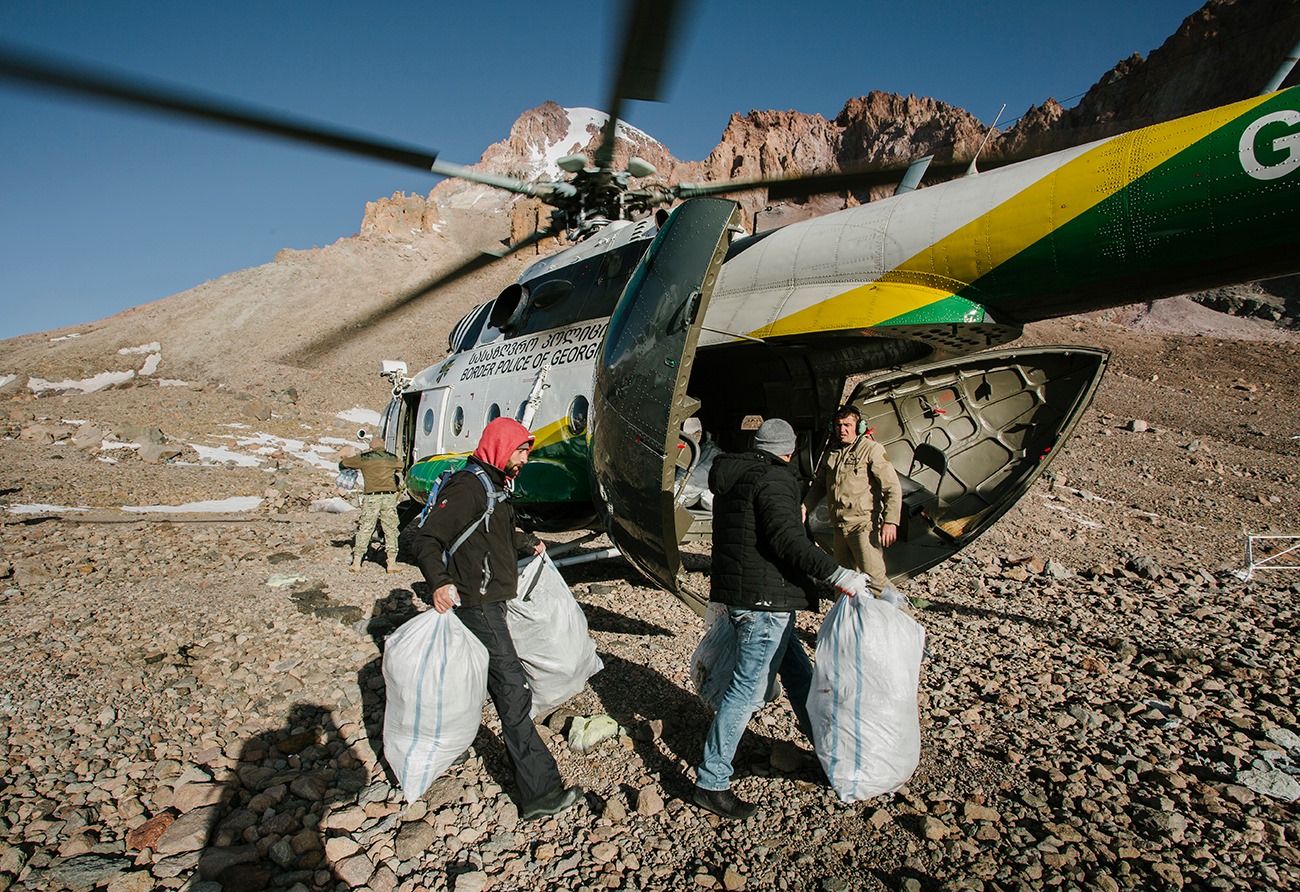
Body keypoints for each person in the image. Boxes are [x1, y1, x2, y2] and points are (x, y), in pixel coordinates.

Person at [694, 418, 872, 820]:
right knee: (746, 692)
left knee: (800, 676)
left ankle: (830, 755)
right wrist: (837, 574)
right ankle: (711, 780)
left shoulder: (734, 475)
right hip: (765, 603)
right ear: (789, 451)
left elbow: (752, 533)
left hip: (746, 596)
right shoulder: (774, 478)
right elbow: (785, 539)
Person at [408, 417, 583, 821]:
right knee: (511, 689)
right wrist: (439, 582)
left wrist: (524, 542)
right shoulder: (468, 486)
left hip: (491, 599)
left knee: (481, 678)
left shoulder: (494, 485)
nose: (524, 459)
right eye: (520, 451)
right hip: (478, 602)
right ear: (500, 448)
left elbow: (492, 533)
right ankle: (540, 792)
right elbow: (426, 538)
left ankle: (451, 745)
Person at [803, 404, 902, 587]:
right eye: (839, 425)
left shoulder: (872, 450)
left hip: (863, 526)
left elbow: (892, 488)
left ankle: (898, 607)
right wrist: (805, 507)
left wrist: (891, 521)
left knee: (876, 581)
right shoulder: (831, 453)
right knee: (843, 582)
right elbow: (820, 485)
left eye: (847, 425)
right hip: (839, 526)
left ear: (859, 427)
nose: (842, 430)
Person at [340, 437, 404, 573]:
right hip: (388, 497)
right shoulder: (392, 458)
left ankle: (357, 562)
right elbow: (401, 466)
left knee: (366, 528)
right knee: (391, 529)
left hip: (372, 497)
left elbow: (344, 463)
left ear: (371, 447)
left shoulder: (364, 458)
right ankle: (391, 562)